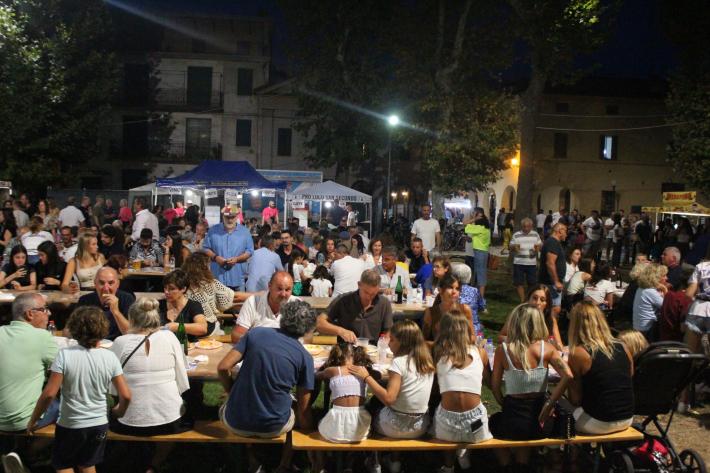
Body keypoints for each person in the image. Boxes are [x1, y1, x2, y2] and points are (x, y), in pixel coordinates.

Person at [26, 306, 131, 473]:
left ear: (74, 328)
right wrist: (119, 412)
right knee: (88, 464)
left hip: (71, 423)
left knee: (64, 465)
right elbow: (126, 395)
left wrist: (33, 420)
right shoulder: (110, 357)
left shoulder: (64, 355)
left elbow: (49, 394)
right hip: (99, 424)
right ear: (104, 328)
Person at [218, 300, 314, 473]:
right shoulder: (305, 357)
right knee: (293, 407)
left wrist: (230, 391)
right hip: (274, 426)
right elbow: (304, 407)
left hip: (235, 421)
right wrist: (309, 432)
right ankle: (284, 464)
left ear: (283, 317)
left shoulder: (255, 334)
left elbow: (223, 367)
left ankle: (251, 459)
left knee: (235, 403)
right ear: (307, 328)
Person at [109, 298, 189, 473]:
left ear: (132, 319)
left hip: (129, 422)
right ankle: (155, 464)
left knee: (113, 414)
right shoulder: (170, 337)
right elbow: (182, 378)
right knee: (187, 411)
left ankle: (135, 460)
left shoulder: (120, 342)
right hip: (170, 420)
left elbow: (112, 387)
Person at [490, 304, 572, 470]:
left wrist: (503, 403)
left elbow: (495, 386)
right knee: (525, 433)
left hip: (513, 418)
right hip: (540, 421)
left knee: (492, 423)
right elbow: (568, 375)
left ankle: (507, 465)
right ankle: (523, 465)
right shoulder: (546, 349)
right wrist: (549, 403)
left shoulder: (503, 350)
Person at [349, 319, 434, 443]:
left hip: (394, 427)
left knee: (368, 410)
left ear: (403, 342)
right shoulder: (427, 362)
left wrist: (366, 377)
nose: (389, 343)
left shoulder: (399, 362)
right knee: (378, 397)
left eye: (392, 340)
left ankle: (369, 452)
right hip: (420, 426)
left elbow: (389, 399)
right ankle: (392, 455)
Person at [429, 311, 492, 473]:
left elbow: (435, 387)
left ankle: (448, 466)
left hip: (447, 424)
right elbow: (489, 382)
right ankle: (464, 456)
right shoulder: (480, 353)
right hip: (476, 424)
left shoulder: (438, 352)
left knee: (441, 409)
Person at [567, 302, 634, 434]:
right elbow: (628, 377)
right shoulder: (623, 347)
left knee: (561, 408)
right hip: (627, 418)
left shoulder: (578, 353)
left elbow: (575, 400)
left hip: (599, 421)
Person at [0, 294, 57, 434]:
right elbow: (67, 370)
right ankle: (36, 447)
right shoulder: (43, 337)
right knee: (62, 402)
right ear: (30, 314)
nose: (49, 313)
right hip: (23, 421)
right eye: (44, 309)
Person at [315, 343, 375, 444]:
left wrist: (324, 367)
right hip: (359, 427)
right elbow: (379, 375)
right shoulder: (363, 371)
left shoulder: (332, 371)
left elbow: (317, 375)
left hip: (335, 428)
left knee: (320, 422)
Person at [317, 269, 393, 344]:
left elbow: (387, 331)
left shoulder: (384, 303)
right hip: (347, 348)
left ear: (378, 288)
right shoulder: (343, 300)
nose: (369, 297)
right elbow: (320, 323)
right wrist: (340, 331)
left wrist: (384, 344)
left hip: (373, 349)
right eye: (366, 292)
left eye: (373, 294)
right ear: (359, 285)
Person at [231, 271, 298, 342]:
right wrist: (261, 343)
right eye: (279, 289)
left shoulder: (297, 304)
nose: (283, 294)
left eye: (287, 290)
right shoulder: (253, 302)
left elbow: (305, 336)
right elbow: (236, 335)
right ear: (269, 286)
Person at [203, 204, 254, 291]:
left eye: (232, 217)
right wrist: (216, 257)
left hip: (237, 278)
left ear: (237, 217)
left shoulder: (245, 232)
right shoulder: (213, 231)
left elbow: (249, 251)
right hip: (218, 279)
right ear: (223, 216)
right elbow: (205, 248)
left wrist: (237, 259)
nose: (230, 220)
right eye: (227, 217)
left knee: (238, 300)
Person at [76, 267, 134, 341]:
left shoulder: (127, 299)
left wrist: (115, 312)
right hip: (92, 343)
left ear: (118, 284)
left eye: (110, 283)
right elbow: (71, 330)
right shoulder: (85, 300)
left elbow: (131, 333)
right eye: (101, 283)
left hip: (117, 343)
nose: (106, 288)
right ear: (95, 283)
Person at [182, 252, 234, 333]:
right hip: (208, 328)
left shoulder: (181, 283)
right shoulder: (210, 283)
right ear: (204, 267)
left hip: (187, 327)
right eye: (209, 265)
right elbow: (229, 299)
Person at [159, 270, 208, 341]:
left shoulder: (193, 305)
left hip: (187, 345)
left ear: (183, 289)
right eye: (165, 288)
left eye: (171, 289)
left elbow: (203, 328)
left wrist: (178, 326)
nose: (166, 292)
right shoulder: (159, 305)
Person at [422, 274, 474, 342]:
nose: (454, 292)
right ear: (440, 290)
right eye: (450, 287)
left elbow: (472, 336)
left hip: (461, 347)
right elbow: (424, 338)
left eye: (457, 289)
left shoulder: (465, 309)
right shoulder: (431, 311)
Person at [685, 245, 710, 365]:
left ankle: (691, 374)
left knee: (691, 352)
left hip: (698, 309)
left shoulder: (701, 266)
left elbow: (689, 294)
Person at [538, 223, 568, 321]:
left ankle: (549, 327)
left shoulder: (554, 243)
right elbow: (550, 263)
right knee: (553, 309)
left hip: (552, 283)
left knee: (554, 309)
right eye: (565, 231)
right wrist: (556, 281)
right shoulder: (552, 243)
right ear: (560, 231)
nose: (566, 234)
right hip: (550, 283)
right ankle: (548, 327)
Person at [633, 263, 668, 342]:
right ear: (656, 277)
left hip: (639, 327)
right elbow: (667, 306)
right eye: (664, 276)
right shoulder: (650, 291)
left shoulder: (642, 288)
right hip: (647, 330)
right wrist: (665, 290)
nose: (666, 278)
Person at [510, 218, 542, 302]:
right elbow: (511, 246)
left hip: (531, 262)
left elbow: (540, 244)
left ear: (531, 226)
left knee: (532, 283)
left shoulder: (535, 234)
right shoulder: (516, 235)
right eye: (524, 226)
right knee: (519, 283)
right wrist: (514, 247)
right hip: (519, 262)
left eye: (528, 226)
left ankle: (529, 299)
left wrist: (538, 248)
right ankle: (522, 300)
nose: (526, 228)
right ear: (522, 226)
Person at [464, 207, 491, 297]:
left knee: (480, 274)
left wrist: (474, 219)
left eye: (474, 214)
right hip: (483, 252)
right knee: (479, 273)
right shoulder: (486, 228)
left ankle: (481, 298)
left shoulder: (479, 228)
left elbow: (465, 224)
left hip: (479, 253)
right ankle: (478, 295)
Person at [451, 264, 485, 333]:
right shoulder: (475, 291)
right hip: (474, 328)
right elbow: (482, 306)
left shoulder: (450, 291)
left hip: (454, 327)